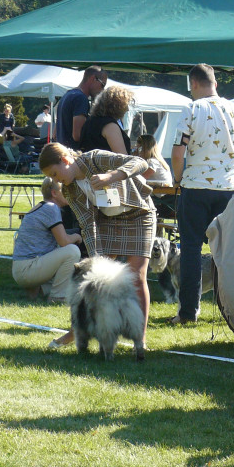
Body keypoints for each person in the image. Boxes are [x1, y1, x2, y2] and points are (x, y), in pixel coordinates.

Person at [38, 142, 156, 348]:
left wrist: (112, 176)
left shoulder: (95, 158)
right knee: (94, 281)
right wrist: (97, 260)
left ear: (66, 160)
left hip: (139, 215)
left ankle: (140, 340)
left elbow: (140, 163)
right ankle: (76, 332)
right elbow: (87, 224)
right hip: (108, 222)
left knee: (137, 276)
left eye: (56, 174)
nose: (56, 181)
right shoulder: (69, 189)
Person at [170, 64, 234, 324]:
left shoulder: (191, 109)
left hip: (195, 188)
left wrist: (178, 178)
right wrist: (229, 167)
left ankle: (188, 313)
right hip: (229, 189)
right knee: (229, 252)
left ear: (193, 84)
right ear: (215, 83)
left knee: (191, 250)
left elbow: (178, 153)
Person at [12, 177, 82, 301]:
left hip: (22, 268)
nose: (69, 193)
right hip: (27, 269)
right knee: (72, 251)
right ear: (54, 193)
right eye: (65, 190)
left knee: (75, 284)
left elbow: (61, 235)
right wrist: (78, 236)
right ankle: (58, 296)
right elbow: (64, 241)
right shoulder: (51, 208)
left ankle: (38, 290)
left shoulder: (43, 206)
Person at [57, 66, 108, 150]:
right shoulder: (80, 99)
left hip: (62, 153)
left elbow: (55, 133)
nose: (102, 90)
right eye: (103, 85)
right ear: (93, 78)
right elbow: (77, 135)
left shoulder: (67, 95)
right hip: (73, 155)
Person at [80, 85, 133, 154]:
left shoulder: (90, 121)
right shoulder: (110, 125)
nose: (127, 109)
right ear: (117, 106)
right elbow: (122, 157)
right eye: (125, 105)